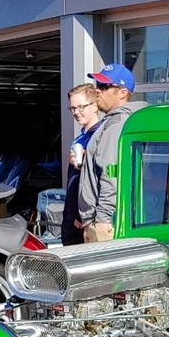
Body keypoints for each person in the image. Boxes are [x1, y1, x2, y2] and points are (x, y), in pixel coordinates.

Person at [76, 63, 148, 242]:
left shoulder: (116, 124)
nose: (97, 91)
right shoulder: (118, 122)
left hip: (104, 224)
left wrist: (102, 220)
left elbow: (112, 174)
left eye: (104, 86)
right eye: (97, 85)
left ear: (123, 92)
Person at [61, 82, 102, 245]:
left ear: (95, 105)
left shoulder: (99, 136)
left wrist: (82, 215)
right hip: (72, 216)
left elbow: (101, 179)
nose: (76, 112)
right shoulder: (81, 136)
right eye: (72, 108)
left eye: (81, 107)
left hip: (83, 219)